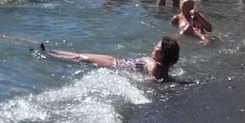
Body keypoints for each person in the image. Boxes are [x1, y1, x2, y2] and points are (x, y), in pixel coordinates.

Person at [42, 36, 180, 81]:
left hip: (114, 65)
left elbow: (154, 76)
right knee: (80, 55)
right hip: (115, 60)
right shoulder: (160, 65)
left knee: (80, 58)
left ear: (161, 54)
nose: (153, 48)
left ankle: (47, 54)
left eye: (156, 47)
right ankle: (50, 51)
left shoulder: (155, 65)